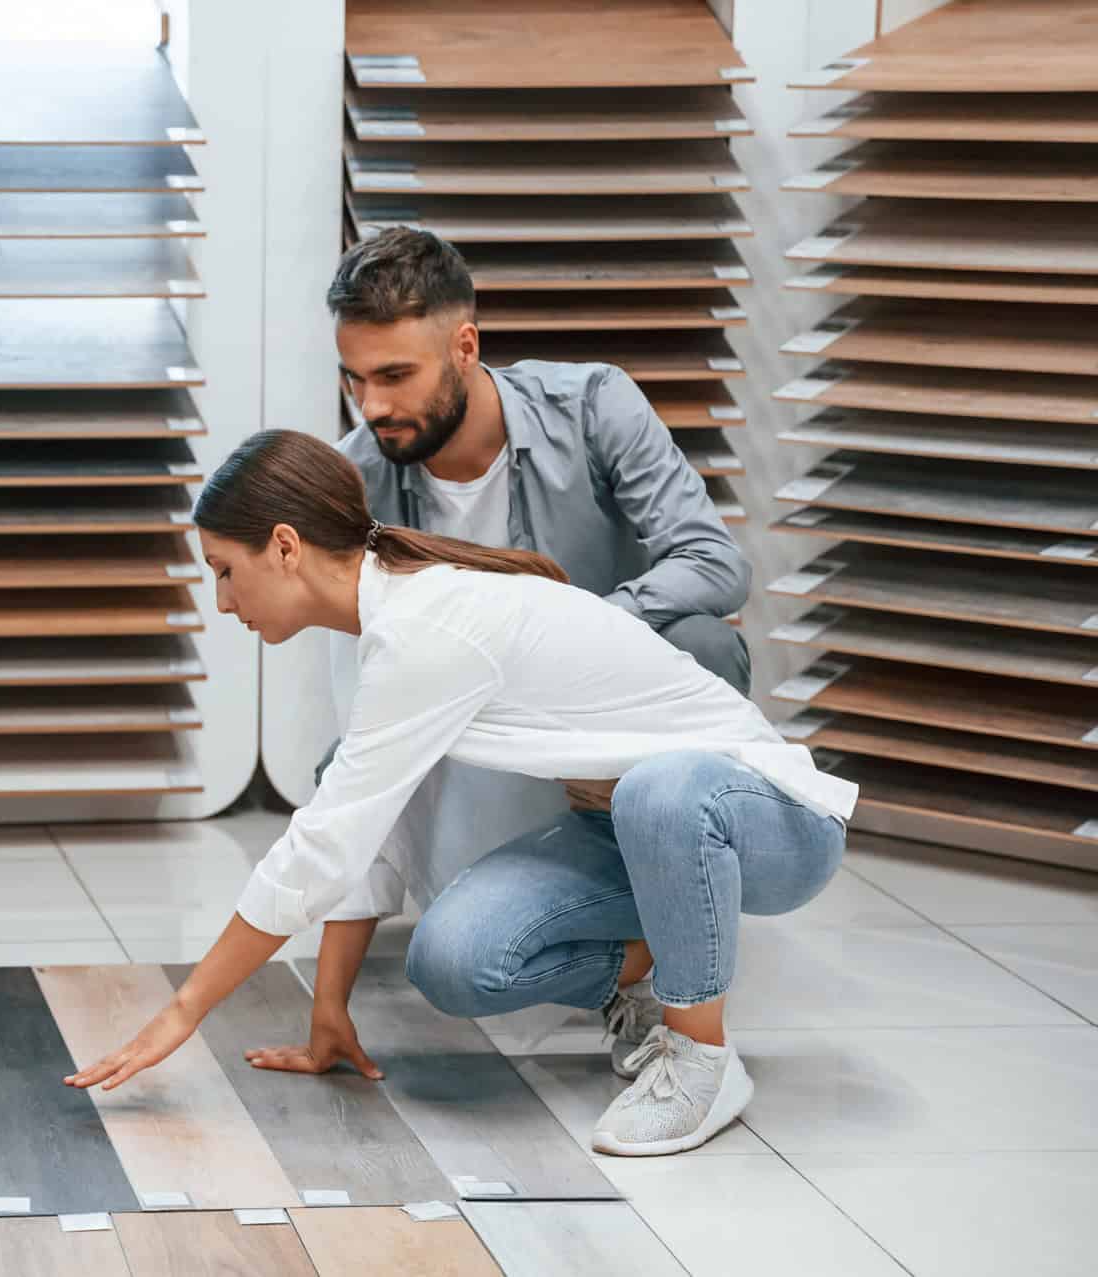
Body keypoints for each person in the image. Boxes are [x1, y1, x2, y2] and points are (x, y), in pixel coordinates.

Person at [64, 430, 855, 1157]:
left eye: (225, 572)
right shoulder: (384, 627)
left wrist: (183, 1012)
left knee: (661, 787)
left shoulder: (427, 629)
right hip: (631, 834)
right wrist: (328, 1009)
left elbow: (320, 848)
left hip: (768, 820)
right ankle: (649, 969)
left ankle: (703, 1061)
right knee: (454, 958)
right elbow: (363, 822)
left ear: (284, 547)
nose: (224, 601)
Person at [328, 225, 750, 695]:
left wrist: (580, 630)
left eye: (395, 376)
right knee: (336, 765)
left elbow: (714, 562)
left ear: (465, 348)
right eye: (356, 380)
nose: (372, 407)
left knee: (705, 644)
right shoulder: (351, 474)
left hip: (600, 681)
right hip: (461, 710)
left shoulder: (593, 408)